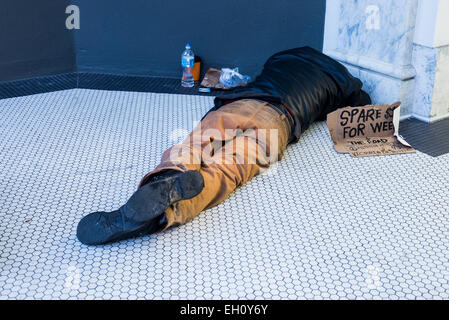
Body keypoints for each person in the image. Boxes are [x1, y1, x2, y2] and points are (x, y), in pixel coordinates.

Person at [76, 47, 372, 245]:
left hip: (239, 104)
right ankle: (166, 215)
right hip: (278, 122)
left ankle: (165, 177)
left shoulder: (280, 59)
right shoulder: (341, 80)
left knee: (194, 145)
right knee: (229, 170)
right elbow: (361, 104)